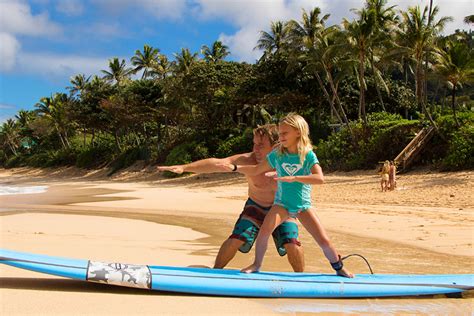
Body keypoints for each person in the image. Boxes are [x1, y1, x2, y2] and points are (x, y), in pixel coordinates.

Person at [220, 113, 353, 277]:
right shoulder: (278, 155)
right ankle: (256, 264)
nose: (280, 137)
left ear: (298, 132)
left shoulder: (307, 155)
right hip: (281, 204)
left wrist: (294, 178)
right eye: (280, 133)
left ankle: (339, 268)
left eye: (284, 133)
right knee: (264, 232)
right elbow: (256, 169)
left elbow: (320, 178)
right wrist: (235, 168)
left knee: (324, 240)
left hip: (302, 206)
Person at [158, 124, 305, 272]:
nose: (255, 149)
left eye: (261, 145)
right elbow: (217, 163)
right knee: (236, 239)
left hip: (282, 208)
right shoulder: (247, 160)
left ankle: (301, 279)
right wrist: (185, 168)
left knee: (291, 243)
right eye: (254, 144)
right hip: (256, 206)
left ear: (276, 146)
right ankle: (216, 271)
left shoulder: (288, 162)